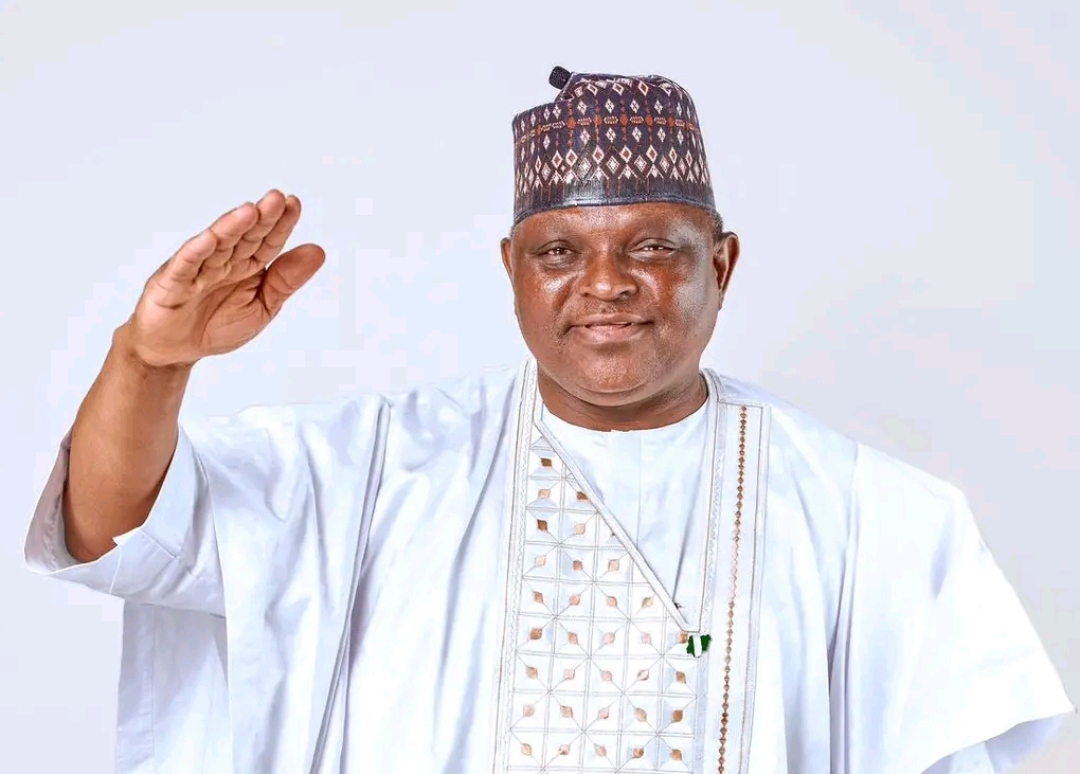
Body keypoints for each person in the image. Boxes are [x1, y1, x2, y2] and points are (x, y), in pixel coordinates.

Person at [23, 67, 1072, 774]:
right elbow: (117, 533)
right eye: (560, 252)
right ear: (513, 271)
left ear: (722, 264)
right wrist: (148, 361)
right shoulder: (373, 466)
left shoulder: (874, 517)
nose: (605, 284)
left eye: (652, 247)